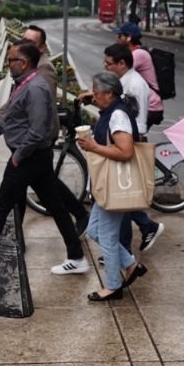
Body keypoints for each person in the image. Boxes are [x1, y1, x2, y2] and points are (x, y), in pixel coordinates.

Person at [0, 42, 87, 280]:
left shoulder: (36, 88)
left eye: (11, 60)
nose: (8, 64)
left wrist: (18, 156)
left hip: (29, 157)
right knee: (56, 206)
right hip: (32, 157)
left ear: (24, 63)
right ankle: (76, 257)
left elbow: (39, 130)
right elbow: (8, 119)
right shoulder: (23, 85)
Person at [75, 71, 145, 301]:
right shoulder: (111, 109)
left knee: (105, 234)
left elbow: (125, 151)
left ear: (110, 93)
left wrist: (93, 147)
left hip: (115, 185)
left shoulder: (118, 116)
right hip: (106, 184)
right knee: (94, 230)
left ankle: (113, 286)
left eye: (97, 94)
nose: (94, 98)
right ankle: (131, 264)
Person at [22, 26, 89, 235]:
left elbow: (43, 105)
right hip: (28, 136)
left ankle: (14, 238)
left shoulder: (44, 68)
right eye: (23, 39)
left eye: (31, 42)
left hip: (38, 137)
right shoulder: (27, 65)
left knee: (20, 187)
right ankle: (78, 219)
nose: (24, 44)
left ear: (41, 48)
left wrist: (32, 136)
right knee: (46, 184)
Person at [113, 24, 165, 252]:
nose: (117, 37)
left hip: (147, 110)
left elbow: (132, 114)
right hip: (137, 118)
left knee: (122, 196)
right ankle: (143, 229)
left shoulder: (138, 56)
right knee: (122, 197)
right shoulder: (128, 74)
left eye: (121, 35)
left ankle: (125, 246)